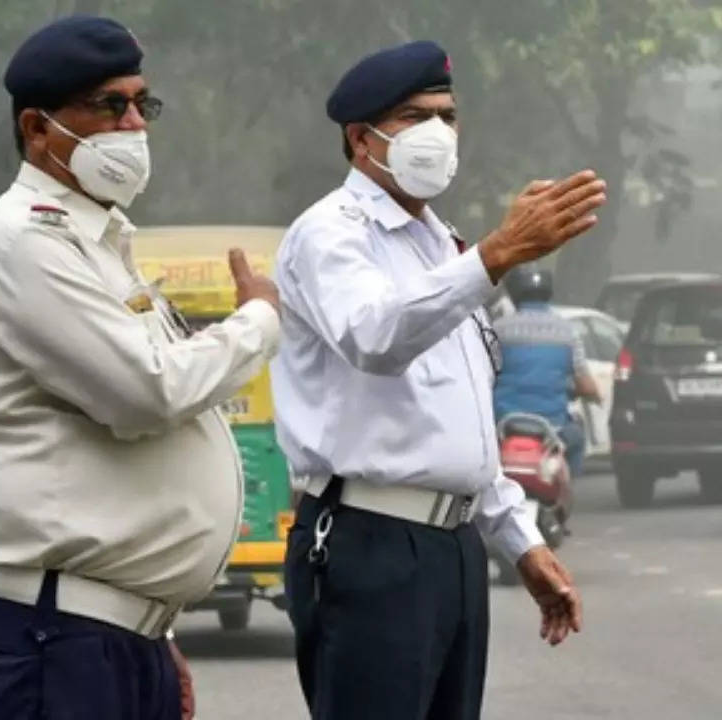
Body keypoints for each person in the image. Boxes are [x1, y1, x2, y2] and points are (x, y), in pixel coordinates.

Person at [0, 15, 281, 720]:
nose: (133, 124)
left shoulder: (95, 242)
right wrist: (257, 321)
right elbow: (149, 392)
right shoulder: (22, 243)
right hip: (49, 631)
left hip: (103, 627)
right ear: (38, 130)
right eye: (109, 105)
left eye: (141, 104)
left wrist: (149, 623)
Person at [273, 40, 605, 719]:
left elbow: (460, 427)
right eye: (412, 115)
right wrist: (498, 253)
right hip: (370, 540)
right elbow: (374, 336)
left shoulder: (438, 243)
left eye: (447, 116)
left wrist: (521, 540)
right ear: (360, 138)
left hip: (452, 547)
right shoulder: (332, 234)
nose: (437, 133)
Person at [494, 264, 603, 479]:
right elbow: (586, 386)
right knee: (577, 437)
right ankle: (563, 495)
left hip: (502, 425)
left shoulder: (497, 329)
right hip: (553, 427)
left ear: (514, 293)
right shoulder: (567, 332)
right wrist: (593, 396)